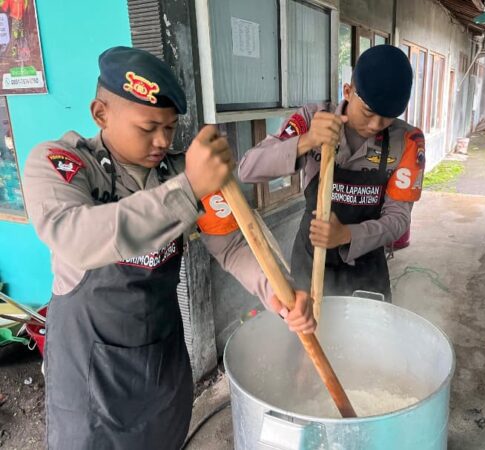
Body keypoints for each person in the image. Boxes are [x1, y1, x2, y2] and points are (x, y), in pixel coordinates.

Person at [22, 46, 315, 450]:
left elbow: (230, 243)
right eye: (148, 128)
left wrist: (278, 293)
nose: (162, 140)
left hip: (160, 362)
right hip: (88, 379)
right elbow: (77, 237)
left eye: (171, 128)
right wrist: (189, 188)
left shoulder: (175, 171)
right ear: (100, 113)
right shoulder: (62, 165)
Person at [238, 45, 425, 301]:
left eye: (387, 118)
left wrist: (346, 235)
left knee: (368, 338)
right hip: (310, 258)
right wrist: (307, 140)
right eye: (369, 112)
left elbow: (398, 219)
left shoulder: (406, 141)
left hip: (367, 264)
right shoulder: (312, 118)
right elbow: (247, 170)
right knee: (307, 334)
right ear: (348, 91)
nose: (375, 126)